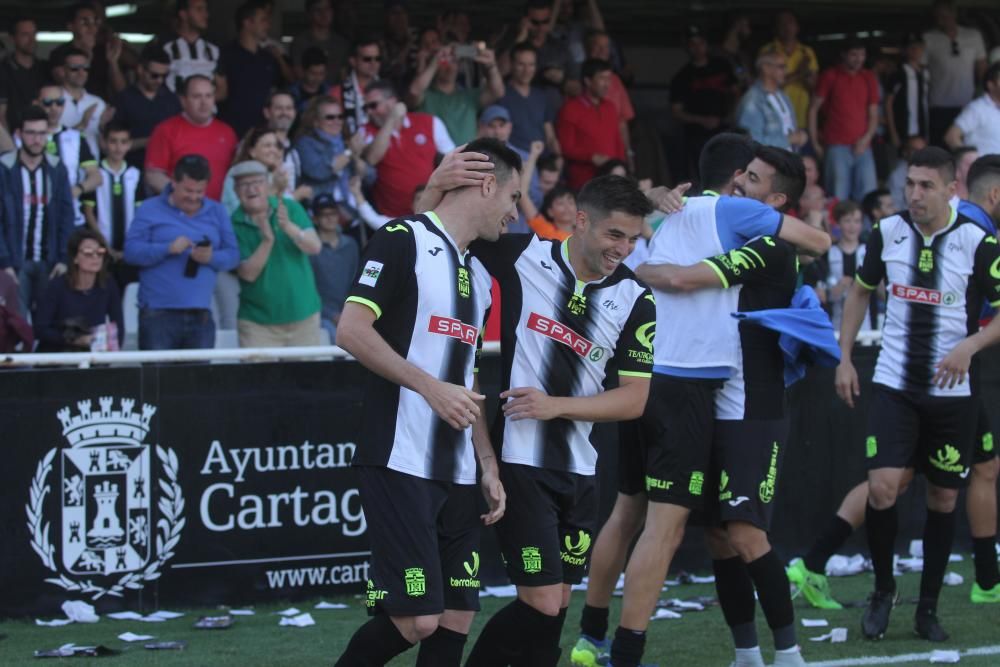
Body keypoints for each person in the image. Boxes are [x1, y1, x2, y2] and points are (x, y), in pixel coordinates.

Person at [605, 134, 832, 667]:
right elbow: (668, 234)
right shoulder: (720, 222)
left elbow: (682, 276)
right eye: (742, 174)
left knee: (747, 534)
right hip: (712, 394)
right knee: (717, 538)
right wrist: (659, 200)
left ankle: (790, 653)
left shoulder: (770, 246)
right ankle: (747, 653)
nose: (740, 184)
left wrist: (650, 268)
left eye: (753, 180)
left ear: (777, 202)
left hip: (753, 402)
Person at [332, 139, 518, 667]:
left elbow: (468, 375)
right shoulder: (401, 238)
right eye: (514, 196)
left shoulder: (480, 274)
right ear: (486, 184)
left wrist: (486, 461)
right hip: (398, 457)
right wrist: (429, 387)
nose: (515, 212)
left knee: (457, 616)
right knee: (416, 621)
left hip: (458, 469)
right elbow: (350, 331)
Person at [788, 153, 1000, 612]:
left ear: (951, 191)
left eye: (926, 185)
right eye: (910, 184)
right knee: (885, 485)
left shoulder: (978, 240)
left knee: (948, 491)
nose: (915, 194)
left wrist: (970, 346)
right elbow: (861, 289)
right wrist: (843, 358)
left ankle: (933, 604)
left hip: (954, 389)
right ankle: (885, 588)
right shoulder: (887, 232)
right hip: (894, 384)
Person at [463, 174, 656, 667]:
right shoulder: (522, 255)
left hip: (579, 469)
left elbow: (634, 400)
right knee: (543, 601)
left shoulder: (637, 298)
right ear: (582, 220)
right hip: (518, 459)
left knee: (557, 607)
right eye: (615, 235)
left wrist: (557, 406)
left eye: (633, 238)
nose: (624, 249)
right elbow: (443, 237)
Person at [124, 154, 239, 350]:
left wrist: (211, 257)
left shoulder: (217, 211)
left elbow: (234, 256)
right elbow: (131, 252)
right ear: (173, 182)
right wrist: (167, 248)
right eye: (188, 190)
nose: (194, 197)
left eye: (199, 191)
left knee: (197, 380)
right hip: (158, 314)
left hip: (201, 313)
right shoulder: (149, 208)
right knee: (157, 380)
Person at [229, 161, 322, 348]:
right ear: (236, 191)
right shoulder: (232, 223)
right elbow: (248, 273)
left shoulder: (290, 208)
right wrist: (267, 240)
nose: (252, 189)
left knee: (309, 378)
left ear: (267, 185)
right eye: (244, 185)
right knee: (260, 378)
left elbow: (315, 247)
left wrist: (288, 227)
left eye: (257, 182)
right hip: (257, 324)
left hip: (304, 316)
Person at [0, 105, 75, 317]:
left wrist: (63, 259)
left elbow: (66, 217)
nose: (37, 139)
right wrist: (4, 263)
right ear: (19, 134)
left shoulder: (57, 169)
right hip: (14, 263)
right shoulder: (4, 168)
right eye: (31, 133)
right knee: (16, 323)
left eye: (42, 133)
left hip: (49, 262)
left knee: (48, 323)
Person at [362, 80, 455, 218]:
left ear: (392, 102)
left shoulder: (429, 122)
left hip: (432, 212)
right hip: (392, 217)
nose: (369, 112)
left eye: (373, 105)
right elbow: (372, 158)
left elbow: (453, 158)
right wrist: (391, 121)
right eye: (366, 108)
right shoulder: (366, 130)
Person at [145, 74, 238, 201]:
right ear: (183, 100)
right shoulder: (165, 130)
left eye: (208, 96)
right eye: (197, 96)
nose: (204, 102)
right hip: (181, 213)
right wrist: (186, 199)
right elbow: (153, 175)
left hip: (220, 212)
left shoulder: (227, 132)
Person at [809, 41, 880, 202]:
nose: (858, 59)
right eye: (854, 55)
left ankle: (870, 228)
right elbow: (813, 109)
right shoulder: (830, 76)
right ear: (844, 55)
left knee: (869, 196)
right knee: (837, 196)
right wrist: (815, 143)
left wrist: (867, 138)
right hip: (836, 145)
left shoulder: (868, 77)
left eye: (862, 55)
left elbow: (874, 114)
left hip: (863, 146)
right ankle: (834, 228)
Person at [33, 228, 123, 352]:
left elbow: (118, 326)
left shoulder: (108, 284)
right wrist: (76, 340)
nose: (95, 257)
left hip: (93, 355)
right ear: (75, 257)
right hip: (56, 355)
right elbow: (40, 329)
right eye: (88, 253)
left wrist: (110, 349)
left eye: (100, 252)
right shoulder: (56, 286)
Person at [670, 26, 737, 183]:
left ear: (706, 44)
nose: (697, 48)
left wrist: (732, 115)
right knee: (703, 175)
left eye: (700, 43)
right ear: (686, 47)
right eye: (692, 44)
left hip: (726, 130)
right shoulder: (682, 77)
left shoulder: (722, 65)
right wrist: (702, 121)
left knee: (730, 172)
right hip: (697, 137)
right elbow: (676, 112)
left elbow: (736, 92)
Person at [82, 122, 142, 289]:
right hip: (101, 250)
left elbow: (140, 214)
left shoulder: (135, 174)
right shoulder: (96, 174)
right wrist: (105, 246)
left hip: (128, 251)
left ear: (130, 144)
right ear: (104, 142)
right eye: (113, 141)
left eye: (123, 142)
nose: (118, 147)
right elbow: (88, 212)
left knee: (128, 298)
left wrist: (130, 247)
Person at [218, 0, 291, 138]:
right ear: (248, 23)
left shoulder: (268, 58)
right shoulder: (225, 55)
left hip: (262, 135)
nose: (268, 25)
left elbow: (285, 86)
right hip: (231, 133)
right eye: (263, 20)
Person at [35, 80, 102, 228]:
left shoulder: (76, 137)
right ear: (37, 104)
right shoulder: (24, 137)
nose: (54, 108)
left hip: (71, 218)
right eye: (47, 103)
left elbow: (96, 176)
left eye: (59, 102)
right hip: (35, 217)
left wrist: (78, 189)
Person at [408, 44, 505, 146]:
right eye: (444, 62)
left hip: (465, 159)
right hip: (433, 160)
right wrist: (435, 62)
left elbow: (498, 92)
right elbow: (414, 92)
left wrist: (491, 66)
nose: (449, 67)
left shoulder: (469, 96)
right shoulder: (426, 96)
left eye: (454, 62)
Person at [923, 0, 988, 147]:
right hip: (938, 104)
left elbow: (982, 68)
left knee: (966, 146)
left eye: (944, 16)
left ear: (954, 14)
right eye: (938, 17)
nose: (941, 20)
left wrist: (985, 99)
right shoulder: (929, 38)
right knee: (939, 147)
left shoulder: (973, 35)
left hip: (967, 103)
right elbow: (920, 68)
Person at [111, 44, 181, 171]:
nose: (159, 80)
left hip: (166, 170)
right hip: (132, 169)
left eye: (164, 76)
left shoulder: (172, 100)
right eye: (154, 75)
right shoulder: (124, 99)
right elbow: (113, 142)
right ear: (140, 70)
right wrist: (150, 141)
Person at [557, 58, 625, 190]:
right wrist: (591, 157)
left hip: (611, 182)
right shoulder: (570, 108)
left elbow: (618, 142)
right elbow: (566, 148)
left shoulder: (610, 107)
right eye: (602, 78)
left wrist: (622, 167)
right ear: (588, 81)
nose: (607, 84)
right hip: (584, 183)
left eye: (609, 79)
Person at [223, 127, 310, 215]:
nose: (274, 150)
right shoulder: (238, 173)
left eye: (276, 146)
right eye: (267, 146)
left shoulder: (274, 175)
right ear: (252, 152)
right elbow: (241, 210)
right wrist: (292, 195)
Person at [295, 96, 365, 205]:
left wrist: (357, 158)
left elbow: (370, 177)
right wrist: (350, 152)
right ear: (316, 122)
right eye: (330, 117)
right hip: (321, 208)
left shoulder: (346, 141)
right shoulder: (305, 143)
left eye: (340, 117)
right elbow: (319, 171)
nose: (336, 121)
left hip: (351, 204)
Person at [496, 43, 561, 156]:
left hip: (543, 162)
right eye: (521, 64)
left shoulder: (541, 96)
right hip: (514, 161)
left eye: (531, 65)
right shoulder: (500, 95)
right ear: (511, 65)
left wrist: (558, 157)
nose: (526, 70)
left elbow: (550, 136)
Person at [309, 193, 358, 342]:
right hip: (320, 315)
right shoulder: (310, 248)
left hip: (349, 312)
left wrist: (348, 312)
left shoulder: (351, 244)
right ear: (315, 219)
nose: (330, 218)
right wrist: (331, 314)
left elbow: (355, 280)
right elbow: (309, 287)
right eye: (324, 214)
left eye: (333, 213)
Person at [758, 10, 818, 130]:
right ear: (775, 28)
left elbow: (815, 87)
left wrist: (807, 77)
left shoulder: (807, 52)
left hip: (802, 118)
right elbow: (768, 86)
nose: (787, 27)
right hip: (775, 119)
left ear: (797, 27)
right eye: (782, 23)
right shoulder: (768, 51)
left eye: (790, 22)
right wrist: (800, 72)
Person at [736, 51, 807, 150]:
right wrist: (789, 139)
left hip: (787, 160)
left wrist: (798, 136)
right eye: (781, 66)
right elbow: (752, 142)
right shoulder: (752, 100)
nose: (786, 71)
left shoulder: (782, 96)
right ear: (766, 68)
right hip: (769, 163)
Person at [159, 0, 224, 97]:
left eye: (205, 10)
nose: (205, 15)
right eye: (199, 9)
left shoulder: (214, 47)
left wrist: (202, 103)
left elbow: (222, 89)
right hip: (172, 110)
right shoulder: (163, 45)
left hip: (207, 112)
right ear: (183, 14)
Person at [58, 47, 107, 160]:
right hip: (60, 166)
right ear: (63, 71)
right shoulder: (53, 100)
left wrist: (103, 127)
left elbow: (106, 147)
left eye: (85, 69)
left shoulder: (98, 103)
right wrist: (82, 124)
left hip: (92, 167)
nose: (81, 73)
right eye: (74, 69)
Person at [0, 17, 47, 132]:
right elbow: (1, 115)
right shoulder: (3, 69)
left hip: (44, 139)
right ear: (12, 38)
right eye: (25, 34)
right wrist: (11, 146)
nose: (32, 39)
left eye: (34, 34)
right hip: (14, 141)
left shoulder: (46, 68)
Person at [885, 33, 930, 150]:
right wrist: (893, 133)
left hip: (922, 130)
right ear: (904, 50)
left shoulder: (925, 73)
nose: (915, 50)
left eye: (918, 46)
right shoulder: (898, 73)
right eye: (911, 47)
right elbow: (888, 102)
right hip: (903, 130)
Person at [944, 62, 1000, 157]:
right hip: (984, 169)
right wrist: (969, 160)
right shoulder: (977, 108)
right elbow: (951, 137)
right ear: (991, 85)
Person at [330, 36, 381, 135]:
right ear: (353, 61)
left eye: (377, 59)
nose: (373, 63)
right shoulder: (337, 93)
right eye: (367, 59)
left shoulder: (389, 90)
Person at [290, 0, 348, 84]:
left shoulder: (341, 43)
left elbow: (344, 77)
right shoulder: (300, 42)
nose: (324, 13)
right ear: (309, 14)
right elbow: (299, 74)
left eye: (327, 9)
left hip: (335, 94)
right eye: (318, 9)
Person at [889, 135, 928, 211]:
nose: (920, 154)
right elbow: (896, 206)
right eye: (915, 150)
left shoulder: (934, 172)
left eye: (923, 150)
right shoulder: (897, 176)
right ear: (905, 152)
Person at [290, 47, 332, 113]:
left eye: (321, 73)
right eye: (313, 73)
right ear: (303, 71)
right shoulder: (291, 94)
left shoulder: (331, 91)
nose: (317, 78)